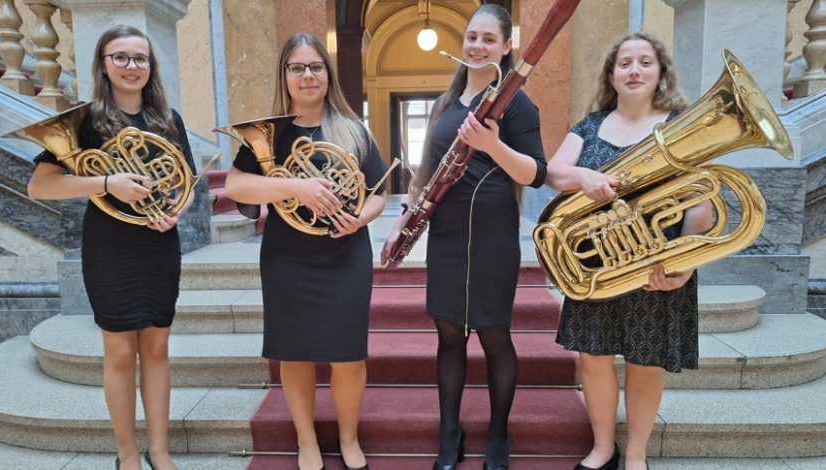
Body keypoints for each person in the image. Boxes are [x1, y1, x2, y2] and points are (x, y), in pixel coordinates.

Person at [380, 5, 547, 470]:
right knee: (449, 335)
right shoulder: (444, 104)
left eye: (488, 39)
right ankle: (449, 433)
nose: (477, 46)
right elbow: (425, 174)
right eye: (472, 37)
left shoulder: (517, 103)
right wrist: (401, 221)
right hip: (448, 235)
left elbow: (536, 173)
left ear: (507, 46)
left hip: (494, 234)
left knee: (495, 336)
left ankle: (498, 433)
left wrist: (493, 145)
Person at [27, 25, 196, 470]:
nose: (131, 66)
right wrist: (106, 182)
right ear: (103, 64)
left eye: (140, 58)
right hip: (110, 246)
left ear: (151, 67)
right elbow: (40, 186)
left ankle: (159, 450)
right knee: (120, 352)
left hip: (159, 243)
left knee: (157, 349)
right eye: (120, 57)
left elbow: (187, 181)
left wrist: (176, 209)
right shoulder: (84, 120)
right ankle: (127, 454)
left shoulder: (167, 119)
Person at [545, 32, 712, 470]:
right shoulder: (589, 126)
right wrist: (582, 177)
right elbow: (553, 172)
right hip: (597, 266)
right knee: (593, 358)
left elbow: (702, 200)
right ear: (611, 75)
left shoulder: (681, 125)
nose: (634, 70)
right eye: (624, 63)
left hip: (658, 263)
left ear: (660, 73)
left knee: (646, 359)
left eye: (644, 62)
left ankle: (636, 454)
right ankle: (603, 448)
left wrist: (685, 263)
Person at [225, 33, 387, 470]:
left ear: (327, 73)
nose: (307, 75)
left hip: (345, 254)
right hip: (288, 257)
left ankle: (349, 440)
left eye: (315, 66)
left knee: (348, 356)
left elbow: (378, 194)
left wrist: (362, 218)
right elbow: (236, 186)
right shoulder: (269, 134)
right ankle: (307, 441)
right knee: (294, 354)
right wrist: (295, 186)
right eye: (297, 67)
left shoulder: (352, 130)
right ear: (285, 75)